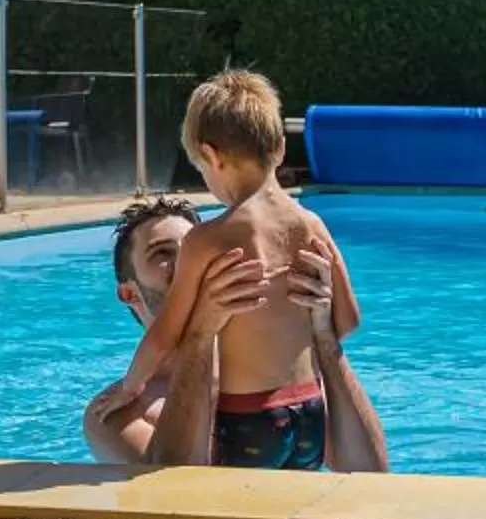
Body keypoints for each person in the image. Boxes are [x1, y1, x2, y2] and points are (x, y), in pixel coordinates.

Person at [97, 70, 360, 470]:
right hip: (309, 413)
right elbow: (348, 321)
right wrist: (318, 328)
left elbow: (167, 335)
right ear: (279, 150)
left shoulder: (208, 239)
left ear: (212, 156)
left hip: (252, 422)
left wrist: (132, 387)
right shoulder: (311, 225)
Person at [84, 194, 387, 471]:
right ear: (129, 293)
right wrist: (201, 332)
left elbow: (370, 475)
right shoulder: (117, 413)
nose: (187, 262)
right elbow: (175, 498)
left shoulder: (277, 368)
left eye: (193, 248)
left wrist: (324, 337)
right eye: (162, 252)